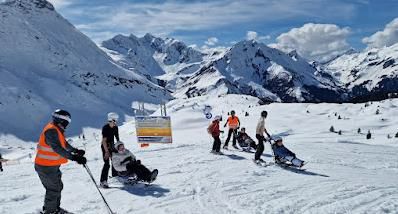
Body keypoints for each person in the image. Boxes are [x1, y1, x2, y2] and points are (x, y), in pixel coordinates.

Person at [34, 109, 87, 214]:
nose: (67, 124)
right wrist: (74, 158)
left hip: (52, 166)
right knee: (53, 189)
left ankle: (54, 208)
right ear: (61, 120)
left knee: (57, 187)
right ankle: (50, 211)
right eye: (67, 121)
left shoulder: (57, 129)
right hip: (45, 167)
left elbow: (64, 144)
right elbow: (58, 149)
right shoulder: (51, 130)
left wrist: (75, 151)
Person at [100, 112, 120, 188]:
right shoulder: (105, 128)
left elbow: (117, 139)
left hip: (112, 145)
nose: (116, 122)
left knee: (115, 160)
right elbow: (104, 141)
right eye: (115, 121)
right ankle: (103, 181)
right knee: (106, 164)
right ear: (111, 120)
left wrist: (119, 147)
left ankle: (115, 176)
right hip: (105, 146)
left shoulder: (115, 127)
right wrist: (106, 152)